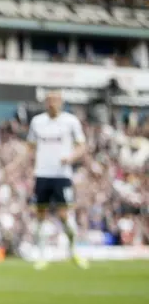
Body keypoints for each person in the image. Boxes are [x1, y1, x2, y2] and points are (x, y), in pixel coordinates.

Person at [27, 90, 88, 270]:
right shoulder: (37, 122)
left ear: (61, 102)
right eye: (49, 100)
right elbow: (30, 146)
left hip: (62, 175)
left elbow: (82, 146)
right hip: (42, 174)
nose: (51, 103)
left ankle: (73, 250)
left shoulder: (71, 122)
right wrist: (19, 166)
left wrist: (71, 157)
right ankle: (42, 255)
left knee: (63, 215)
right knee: (40, 216)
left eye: (55, 100)